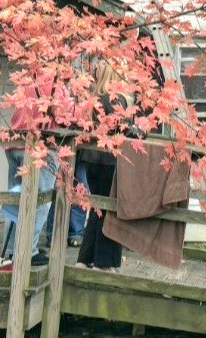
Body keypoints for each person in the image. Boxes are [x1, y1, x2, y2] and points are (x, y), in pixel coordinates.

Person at [76, 60, 130, 272]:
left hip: (91, 159)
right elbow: (123, 131)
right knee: (110, 211)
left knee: (96, 208)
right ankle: (104, 263)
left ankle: (85, 258)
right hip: (110, 160)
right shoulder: (117, 100)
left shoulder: (94, 100)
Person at [3, 85, 58, 267]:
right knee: (40, 202)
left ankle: (12, 250)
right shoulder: (55, 85)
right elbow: (66, 116)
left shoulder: (27, 81)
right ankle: (28, 252)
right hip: (39, 148)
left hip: (15, 144)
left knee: (14, 200)